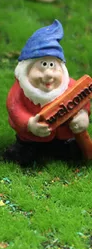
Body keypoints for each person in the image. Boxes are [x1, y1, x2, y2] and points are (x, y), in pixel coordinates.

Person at [5, 19, 89, 165]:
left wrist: (83, 116)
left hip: (64, 137)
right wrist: (30, 124)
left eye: (52, 65)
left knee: (72, 152)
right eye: (43, 65)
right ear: (27, 69)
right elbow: (15, 109)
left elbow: (83, 102)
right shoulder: (20, 91)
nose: (49, 74)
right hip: (31, 138)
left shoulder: (71, 86)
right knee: (25, 155)